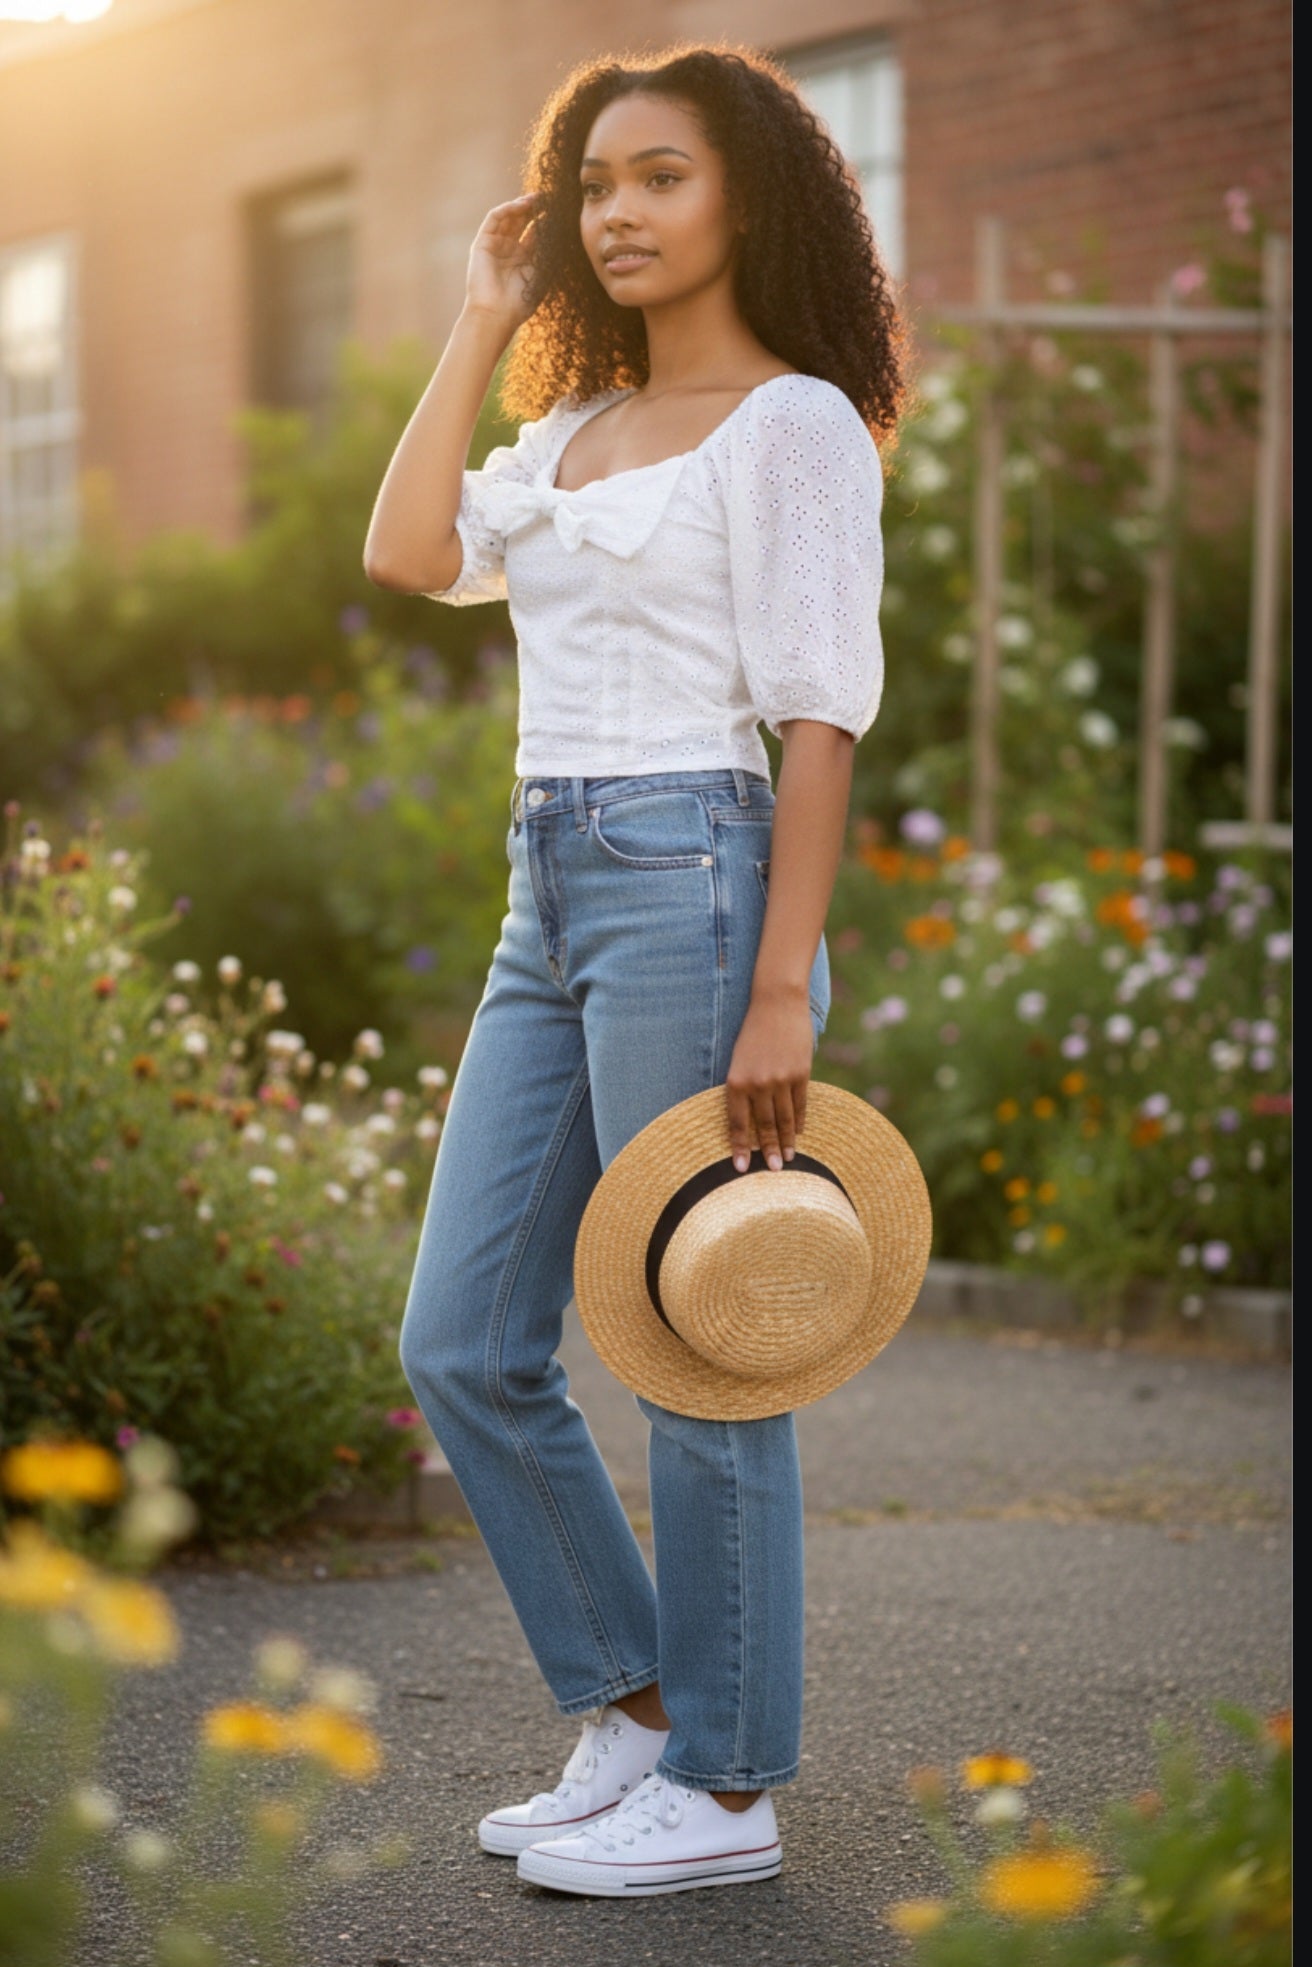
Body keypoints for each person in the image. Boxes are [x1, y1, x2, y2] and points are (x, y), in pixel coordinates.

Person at [364, 40, 903, 1898]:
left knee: (698, 1345)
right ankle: (638, 1710)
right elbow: (405, 545)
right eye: (597, 186)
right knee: (464, 1343)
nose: (620, 213)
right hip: (550, 887)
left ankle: (732, 1792)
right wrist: (480, 317)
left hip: (698, 872)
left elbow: (821, 720)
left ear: (746, 194)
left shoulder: (794, 426)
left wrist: (781, 982)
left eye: (660, 176)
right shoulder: (571, 438)